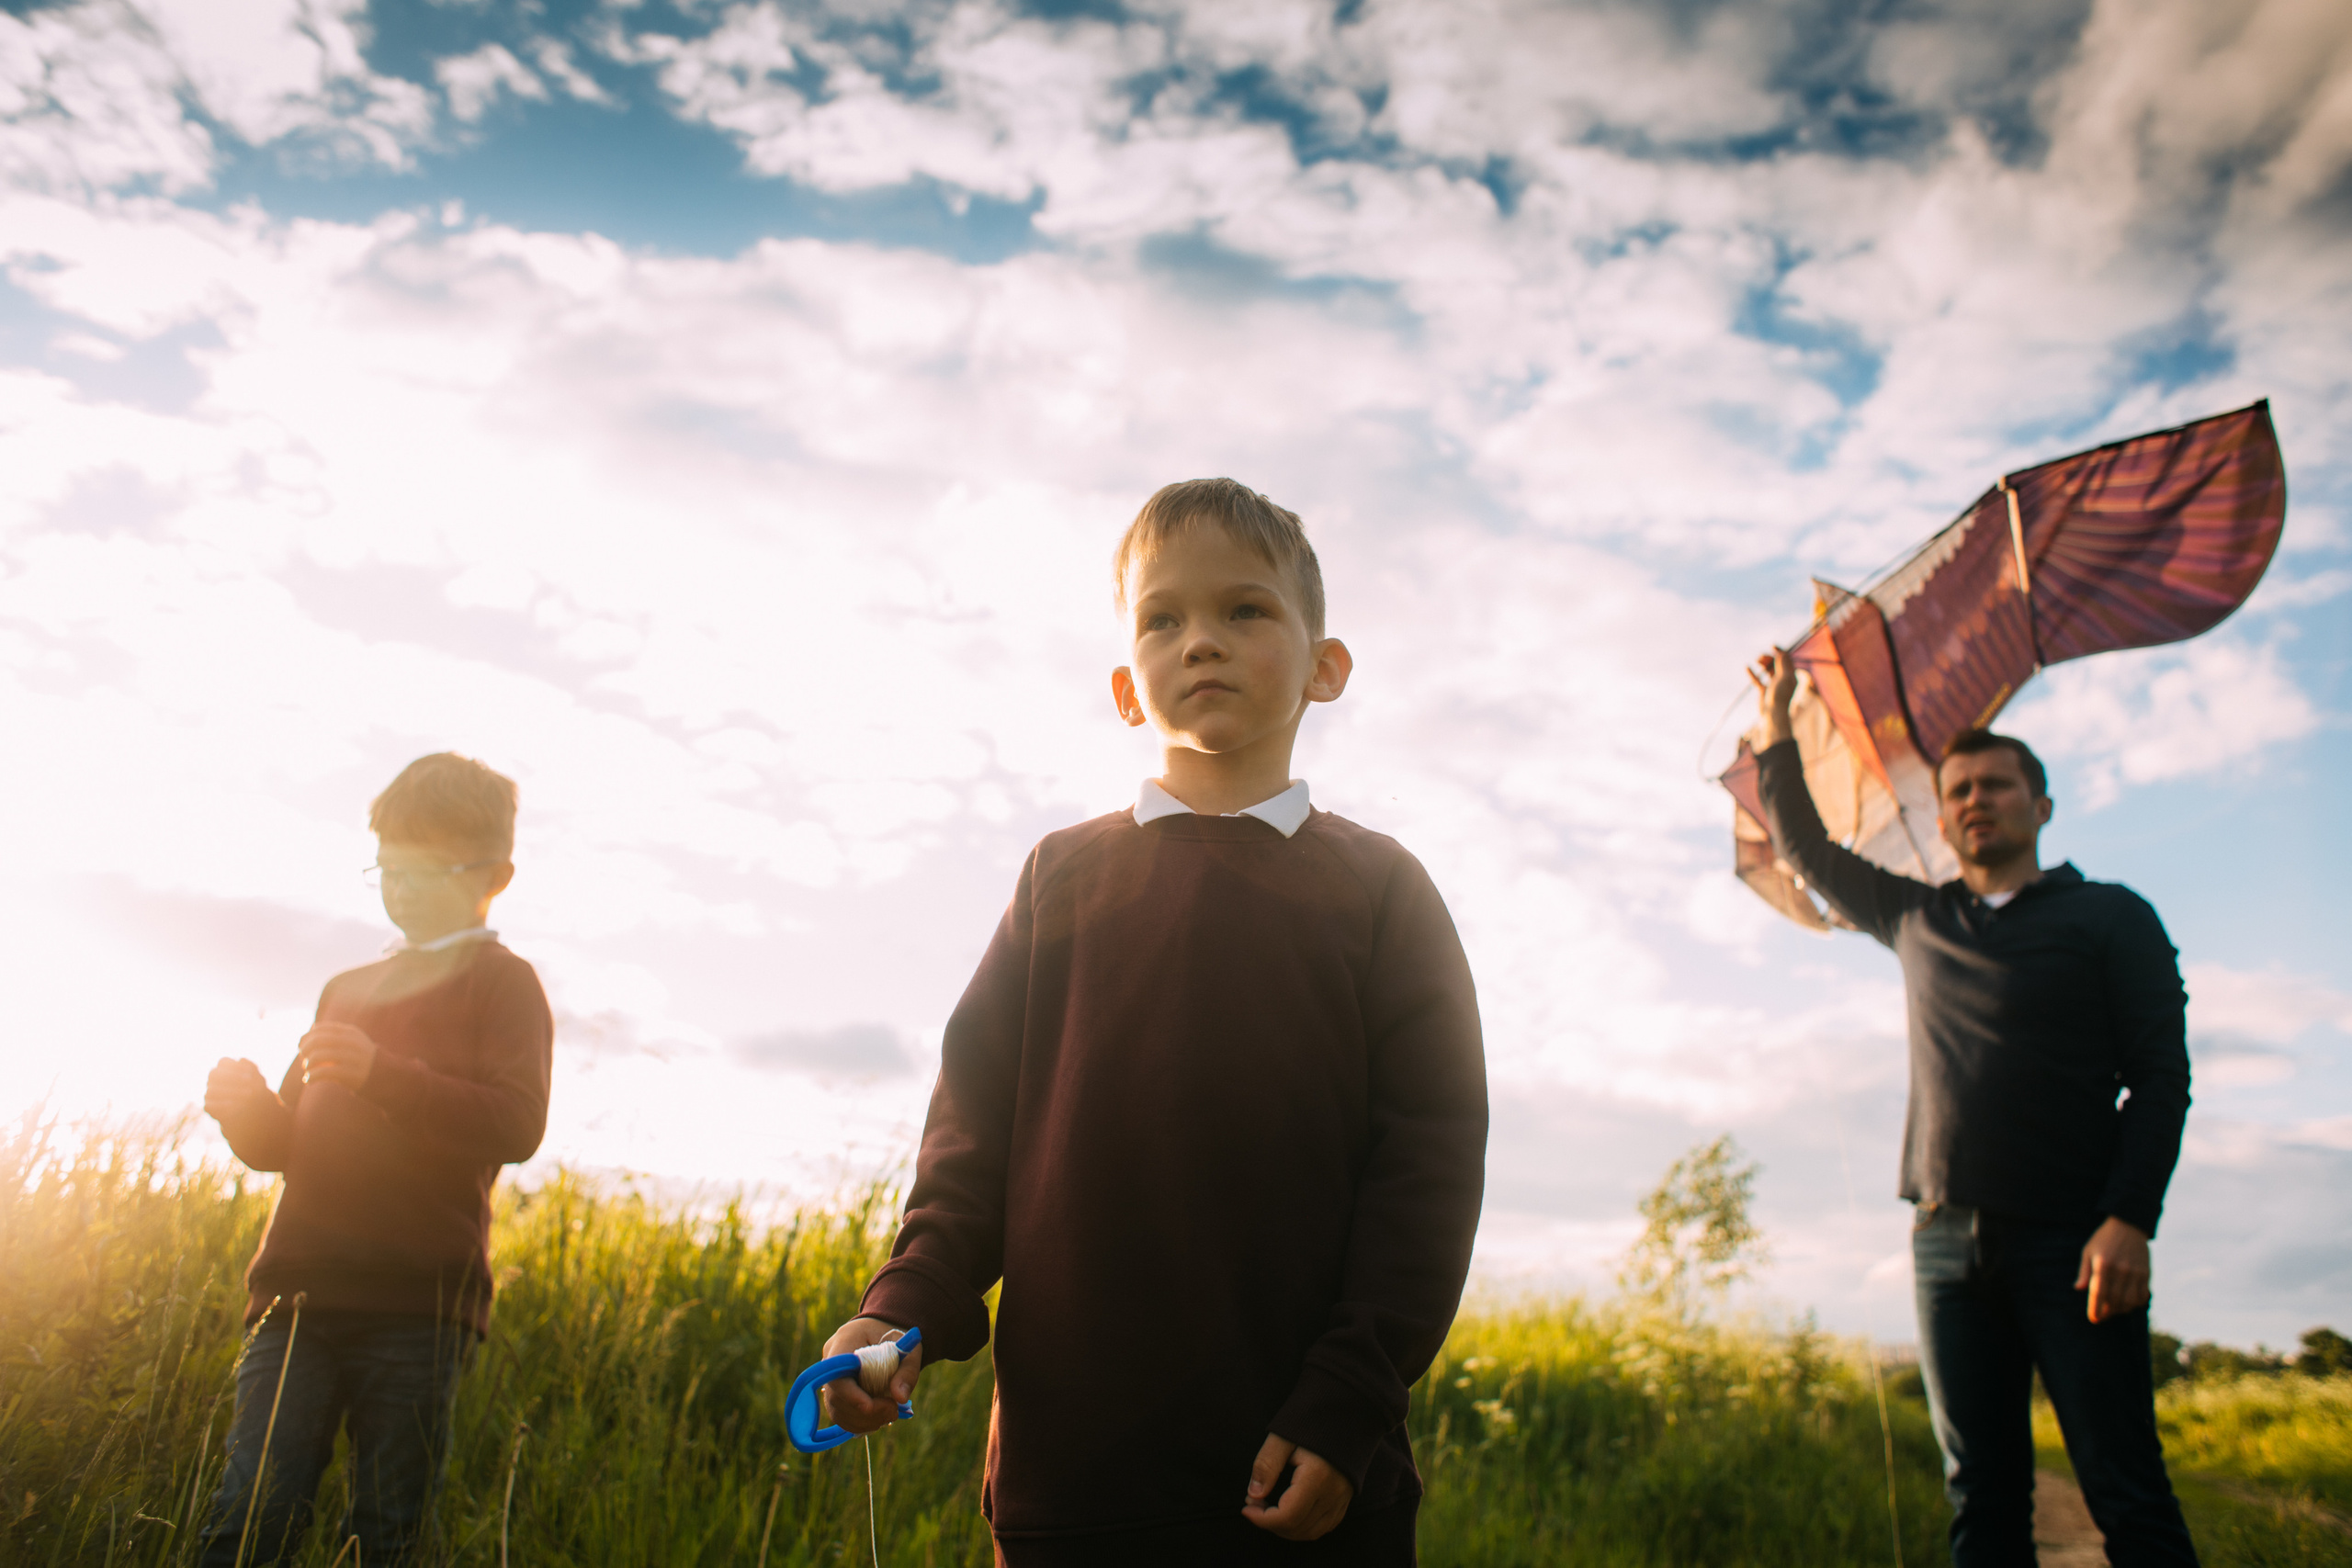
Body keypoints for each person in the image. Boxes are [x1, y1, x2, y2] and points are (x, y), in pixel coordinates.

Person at [820, 479, 1488, 1564]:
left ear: (1327, 667)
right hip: (1074, 1488)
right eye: (1163, 619)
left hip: (1302, 1482)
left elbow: (1429, 1169)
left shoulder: (1381, 890)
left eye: (1245, 610)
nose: (1202, 643)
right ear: (1129, 688)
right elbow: (973, 1142)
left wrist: (1348, 1399)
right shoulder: (1060, 877)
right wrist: (902, 1310)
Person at [1747, 650, 2198, 1567]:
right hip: (1943, 1245)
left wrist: (2128, 1220)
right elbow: (1804, 848)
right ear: (1941, 815)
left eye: (1995, 785)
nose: (1972, 801)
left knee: (2123, 1487)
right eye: (1955, 791)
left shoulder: (2110, 916)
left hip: (2075, 1243)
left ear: (2041, 806)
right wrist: (1777, 729)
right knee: (1980, 1498)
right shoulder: (1919, 920)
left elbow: (2161, 1077)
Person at [197, 752, 553, 1567]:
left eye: (426, 870)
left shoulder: (503, 985)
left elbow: (517, 1122)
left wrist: (385, 1075)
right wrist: (249, 1110)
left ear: (493, 874)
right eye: (389, 868)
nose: (402, 888)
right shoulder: (347, 989)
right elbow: (289, 1146)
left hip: (417, 1314)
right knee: (249, 1515)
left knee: (384, 1534)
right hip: (295, 1301)